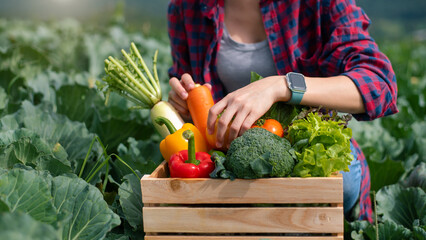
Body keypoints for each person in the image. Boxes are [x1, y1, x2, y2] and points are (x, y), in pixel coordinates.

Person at [166, 0, 398, 222]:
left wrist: (283, 86)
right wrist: (186, 106)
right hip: (236, 159)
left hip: (310, 152)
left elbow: (379, 84)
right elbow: (197, 105)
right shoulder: (186, 7)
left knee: (340, 184)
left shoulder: (320, 3)